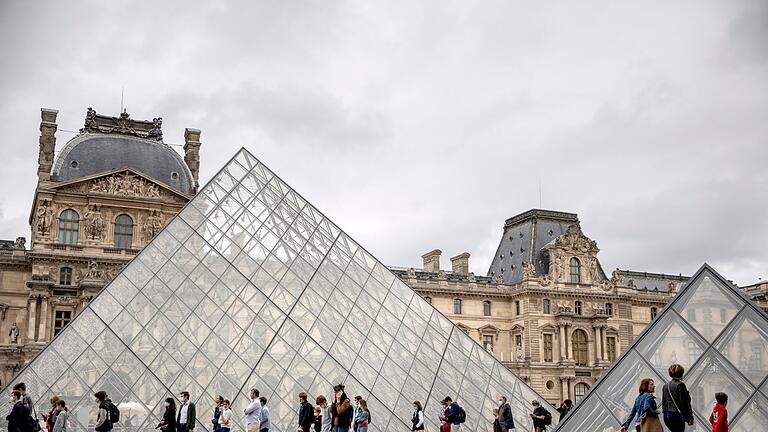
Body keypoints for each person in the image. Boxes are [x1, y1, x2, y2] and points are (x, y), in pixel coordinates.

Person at [661, 364, 694, 432]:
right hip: (676, 415)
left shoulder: (665, 386)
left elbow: (664, 402)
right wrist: (690, 418)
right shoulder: (680, 385)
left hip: (666, 416)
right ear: (681, 373)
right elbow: (685, 403)